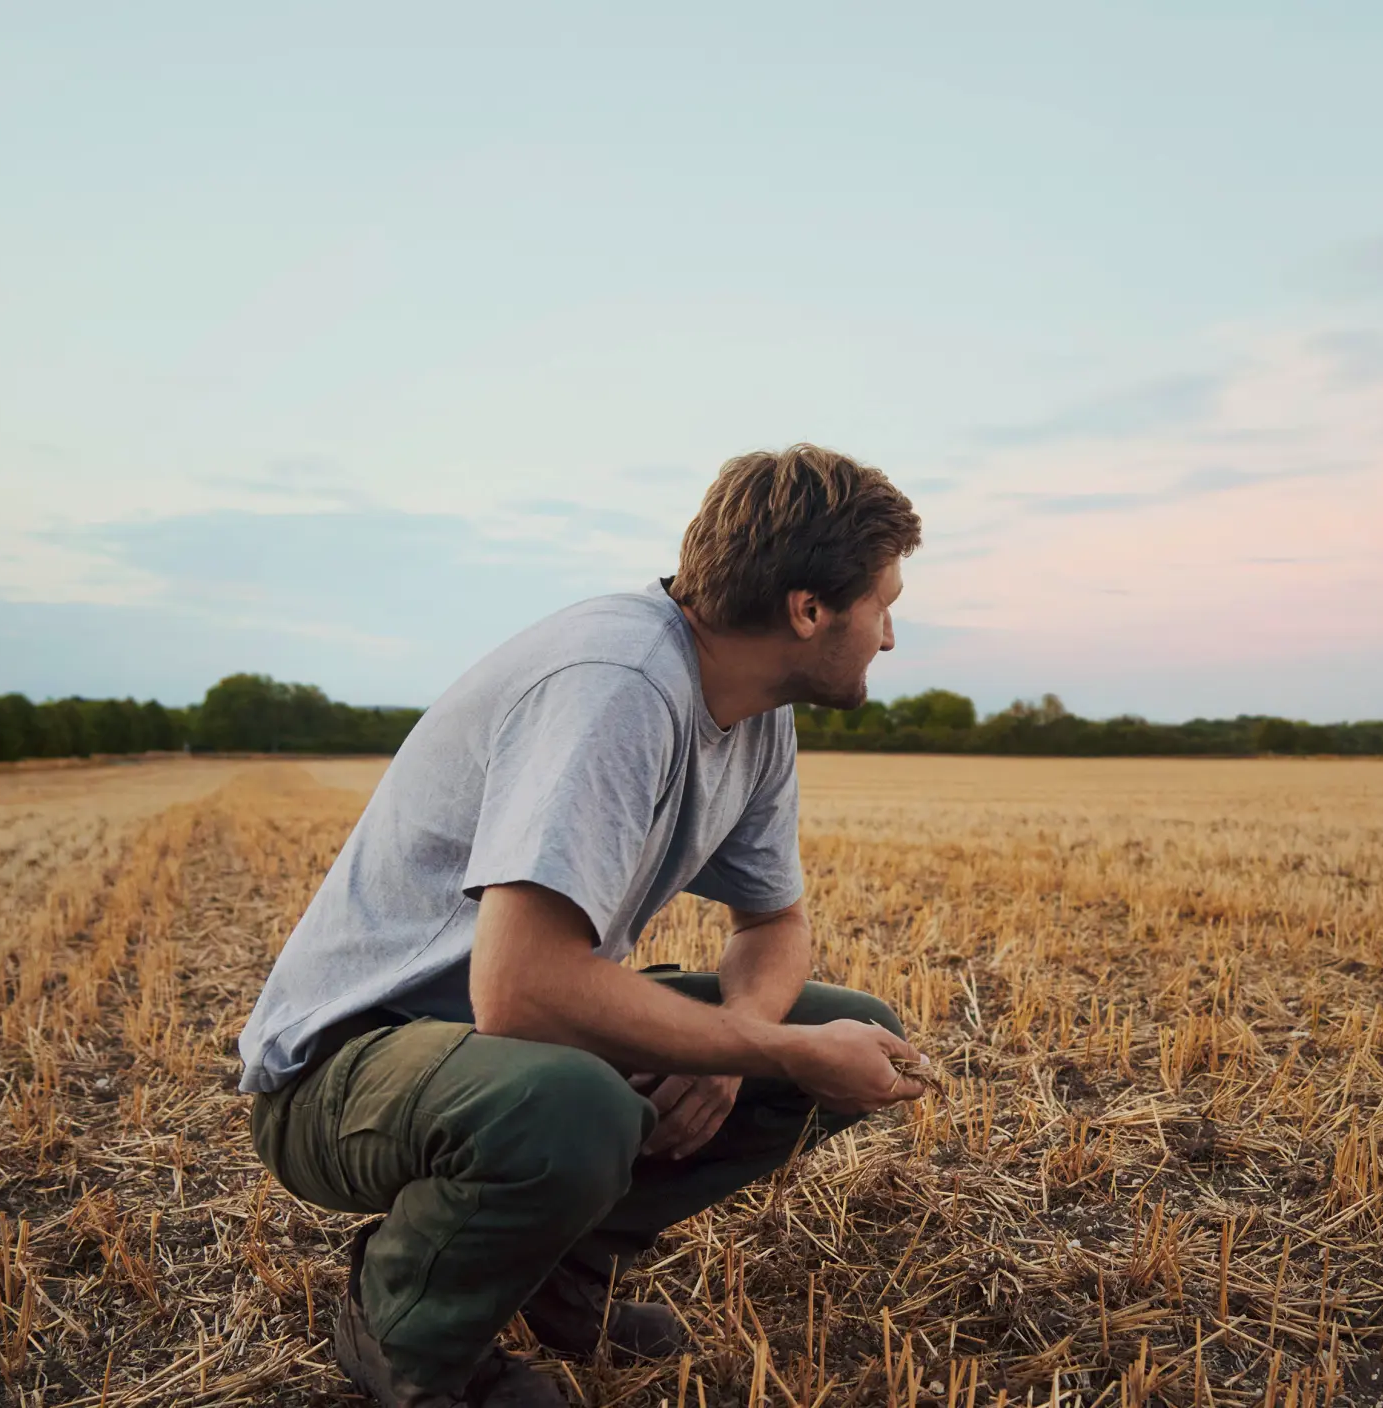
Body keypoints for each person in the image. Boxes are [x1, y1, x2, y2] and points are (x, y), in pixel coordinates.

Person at [236, 445, 932, 1408]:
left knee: (842, 1022)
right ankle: (406, 1329)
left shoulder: (757, 710)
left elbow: (772, 923)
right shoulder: (620, 685)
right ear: (809, 609)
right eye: (883, 604)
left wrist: (741, 1051)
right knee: (576, 1104)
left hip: (501, 1049)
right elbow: (518, 991)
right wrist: (770, 1044)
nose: (889, 637)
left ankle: (563, 1262)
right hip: (346, 1068)